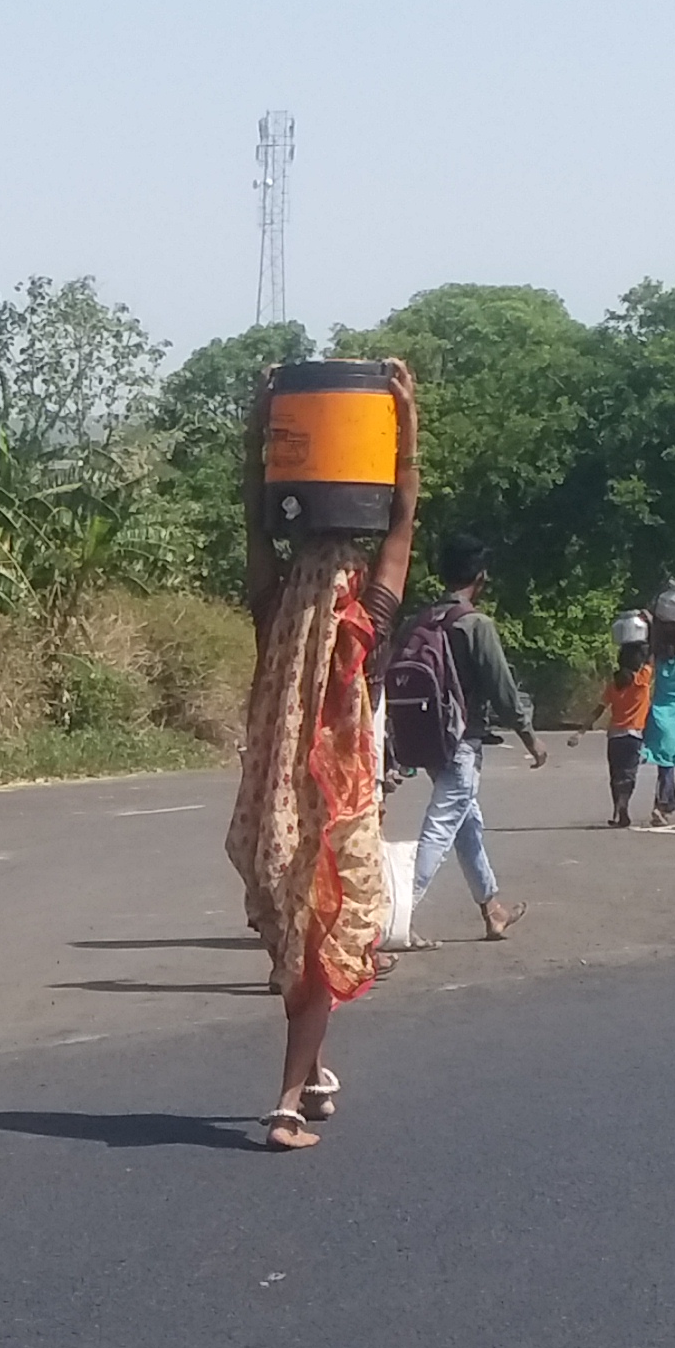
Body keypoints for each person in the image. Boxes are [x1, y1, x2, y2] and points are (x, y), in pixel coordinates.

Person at [229, 361, 422, 1151]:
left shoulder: (273, 604)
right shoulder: (367, 615)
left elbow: (252, 518)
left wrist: (260, 423)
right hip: (338, 803)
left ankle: (312, 1075)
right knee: (329, 930)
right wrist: (407, 421)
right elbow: (403, 517)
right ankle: (283, 1102)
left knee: (305, 932)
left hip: (275, 795)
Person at [391, 529, 536, 941]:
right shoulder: (475, 624)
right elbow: (502, 688)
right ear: (481, 577)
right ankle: (396, 915)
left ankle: (493, 909)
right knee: (441, 826)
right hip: (462, 744)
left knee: (465, 821)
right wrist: (529, 737)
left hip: (428, 740)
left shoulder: (420, 620)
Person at [635, 583, 675, 824]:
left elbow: (653, 634)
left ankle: (663, 805)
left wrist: (653, 616)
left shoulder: (656, 658)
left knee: (664, 762)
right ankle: (663, 806)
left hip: (659, 711)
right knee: (668, 763)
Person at [599, 610, 654, 827]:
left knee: (615, 775)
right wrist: (650, 623)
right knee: (628, 774)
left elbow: (599, 708)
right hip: (634, 735)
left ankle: (617, 811)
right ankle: (623, 806)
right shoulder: (642, 680)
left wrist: (581, 731)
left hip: (614, 736)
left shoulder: (614, 684)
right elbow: (653, 651)